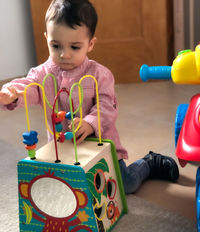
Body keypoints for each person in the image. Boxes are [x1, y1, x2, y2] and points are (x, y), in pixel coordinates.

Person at [0, 0, 179, 194]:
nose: (64, 55)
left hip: (101, 148)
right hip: (64, 150)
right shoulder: (42, 73)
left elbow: (107, 107)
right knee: (65, 190)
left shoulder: (100, 75)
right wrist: (12, 93)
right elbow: (29, 87)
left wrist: (90, 123)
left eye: (75, 47)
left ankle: (148, 163)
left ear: (90, 44)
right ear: (46, 39)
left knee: (125, 185)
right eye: (56, 45)